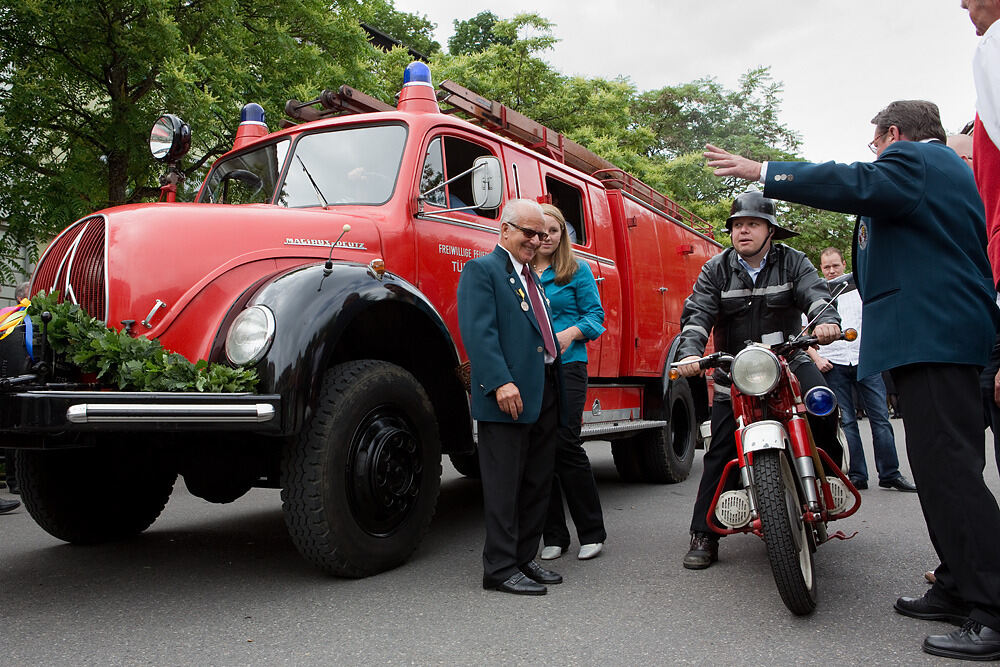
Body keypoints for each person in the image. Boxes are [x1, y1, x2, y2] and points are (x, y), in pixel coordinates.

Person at [704, 99, 1000, 661]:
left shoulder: (917, 160)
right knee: (938, 474)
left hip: (935, 335)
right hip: (928, 335)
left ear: (893, 134)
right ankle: (961, 586)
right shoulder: (938, 173)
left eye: (875, 144)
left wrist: (761, 172)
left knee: (952, 475)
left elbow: (857, 182)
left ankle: (993, 605)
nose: (875, 155)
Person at [674, 188, 842, 570]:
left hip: (788, 358)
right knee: (719, 449)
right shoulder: (715, 269)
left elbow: (815, 295)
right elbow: (697, 315)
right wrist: (689, 354)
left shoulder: (794, 261)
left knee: (822, 402)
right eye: (737, 225)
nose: (742, 231)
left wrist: (827, 321)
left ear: (770, 230)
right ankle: (705, 532)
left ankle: (830, 478)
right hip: (734, 367)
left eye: (752, 224)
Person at [456, 198, 566, 596]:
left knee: (537, 480)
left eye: (540, 234)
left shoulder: (531, 277)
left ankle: (523, 557)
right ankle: (499, 568)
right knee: (505, 485)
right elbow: (478, 333)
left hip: (543, 389)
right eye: (528, 232)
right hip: (507, 395)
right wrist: (501, 381)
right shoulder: (482, 271)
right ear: (505, 230)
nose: (535, 240)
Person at [531, 203, 607, 562]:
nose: (546, 237)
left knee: (566, 443)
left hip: (569, 365)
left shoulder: (577, 270)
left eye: (554, 231)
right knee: (539, 448)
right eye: (539, 231)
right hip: (532, 370)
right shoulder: (521, 272)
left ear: (563, 235)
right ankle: (554, 536)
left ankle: (591, 532)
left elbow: (596, 317)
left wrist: (568, 334)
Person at [805, 247, 915, 492]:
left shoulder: (861, 289)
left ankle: (890, 473)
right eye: (827, 267)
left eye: (835, 265)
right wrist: (816, 358)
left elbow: (878, 322)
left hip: (866, 361)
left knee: (881, 420)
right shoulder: (815, 295)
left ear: (844, 263)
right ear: (821, 268)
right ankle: (857, 476)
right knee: (847, 423)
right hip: (833, 364)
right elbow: (804, 334)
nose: (832, 271)